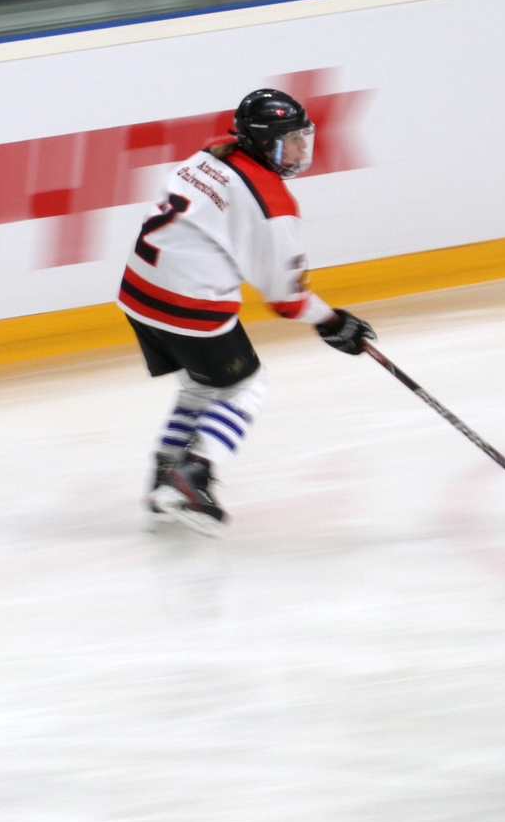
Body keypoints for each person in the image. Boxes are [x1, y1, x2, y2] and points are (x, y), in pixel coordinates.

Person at [117, 88, 374, 534]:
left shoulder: (212, 154)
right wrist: (334, 323)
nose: (299, 149)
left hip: (139, 293)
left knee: (201, 385)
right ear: (262, 141)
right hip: (187, 304)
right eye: (289, 139)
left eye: (301, 137)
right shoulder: (270, 203)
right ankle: (193, 475)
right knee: (247, 386)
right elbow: (286, 299)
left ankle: (164, 474)